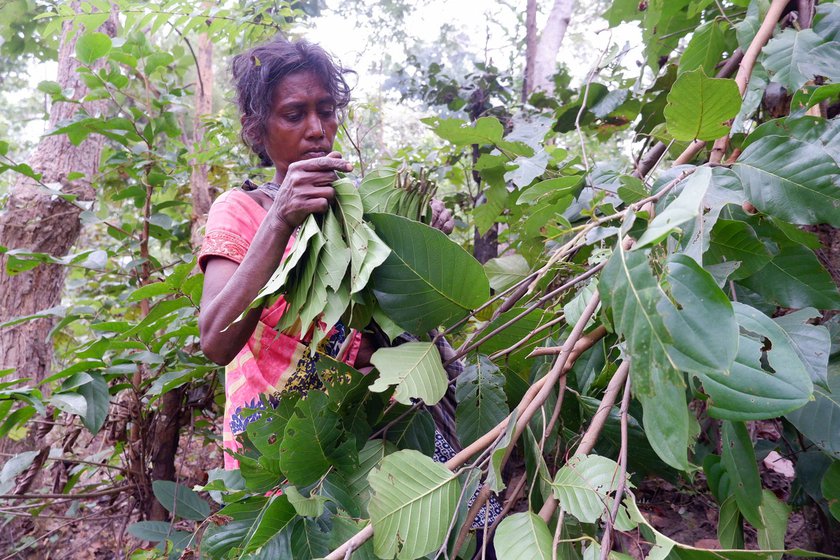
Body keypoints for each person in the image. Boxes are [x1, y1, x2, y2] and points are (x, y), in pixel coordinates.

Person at [197, 37, 453, 468]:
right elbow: (216, 341)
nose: (316, 129)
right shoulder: (240, 211)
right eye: (294, 115)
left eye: (327, 111)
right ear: (256, 129)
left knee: (459, 525)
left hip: (386, 425)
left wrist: (426, 245)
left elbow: (404, 324)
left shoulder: (359, 208)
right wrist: (279, 221)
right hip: (290, 445)